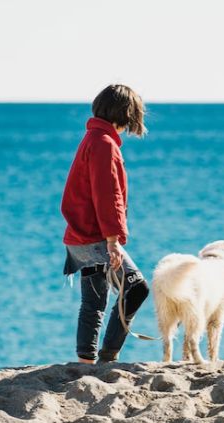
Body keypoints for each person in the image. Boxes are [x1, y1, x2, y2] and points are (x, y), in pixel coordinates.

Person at [61, 84, 150, 364]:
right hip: (96, 237)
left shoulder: (92, 137)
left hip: (79, 236)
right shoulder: (103, 143)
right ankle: (108, 357)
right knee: (136, 290)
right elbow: (107, 194)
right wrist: (113, 241)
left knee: (94, 301)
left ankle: (85, 362)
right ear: (126, 113)